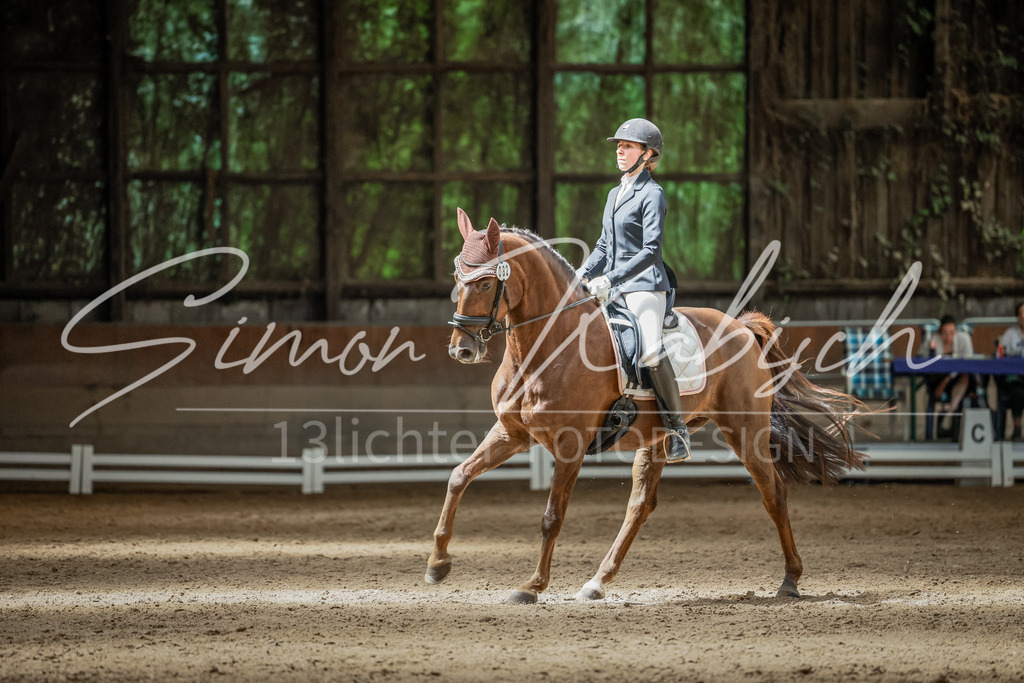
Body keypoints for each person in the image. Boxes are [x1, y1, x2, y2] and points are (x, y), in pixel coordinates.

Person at [575, 118, 689, 462]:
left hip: (644, 285)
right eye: (619, 146)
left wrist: (610, 278)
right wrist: (581, 273)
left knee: (650, 352)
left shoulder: (653, 194)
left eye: (627, 146)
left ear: (647, 154)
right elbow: (604, 244)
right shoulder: (615, 193)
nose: (620, 151)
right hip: (612, 287)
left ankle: (678, 430)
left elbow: (650, 251)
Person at [917, 314, 976, 437]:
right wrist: (930, 349)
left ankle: (949, 414)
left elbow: (968, 361)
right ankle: (949, 416)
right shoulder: (934, 339)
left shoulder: (963, 338)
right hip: (938, 379)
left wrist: (948, 378)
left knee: (965, 376)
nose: (948, 336)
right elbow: (921, 356)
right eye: (944, 332)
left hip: (958, 379)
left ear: (956, 331)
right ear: (940, 331)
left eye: (951, 332)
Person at [995, 301, 1024, 440]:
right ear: (1018, 317)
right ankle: (1017, 426)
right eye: (1021, 313)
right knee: (1017, 390)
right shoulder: (1010, 334)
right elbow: (999, 354)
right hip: (1015, 377)